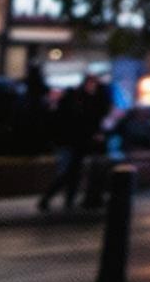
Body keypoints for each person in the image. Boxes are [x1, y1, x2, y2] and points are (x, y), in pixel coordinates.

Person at [36, 78, 101, 212]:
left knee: (72, 173)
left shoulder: (76, 101)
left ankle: (65, 200)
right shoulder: (78, 103)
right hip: (72, 144)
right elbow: (79, 124)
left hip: (72, 144)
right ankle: (51, 199)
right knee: (69, 173)